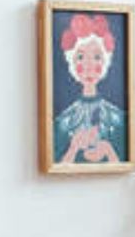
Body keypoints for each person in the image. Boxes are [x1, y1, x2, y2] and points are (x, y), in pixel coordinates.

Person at [53, 11, 128, 167]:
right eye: (80, 57)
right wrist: (73, 148)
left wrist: (108, 151)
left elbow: (124, 166)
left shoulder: (119, 119)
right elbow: (54, 168)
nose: (89, 66)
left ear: (106, 62)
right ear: (71, 63)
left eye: (96, 57)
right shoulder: (63, 122)